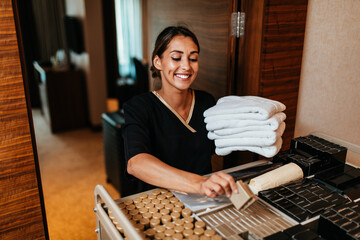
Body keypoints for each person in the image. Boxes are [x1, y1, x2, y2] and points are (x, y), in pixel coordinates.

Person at [122, 26, 238, 198]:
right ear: (157, 62)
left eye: (193, 58)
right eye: (176, 58)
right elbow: (136, 163)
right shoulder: (139, 107)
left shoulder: (206, 101)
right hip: (157, 202)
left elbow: (218, 146)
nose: (186, 66)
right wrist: (199, 183)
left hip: (203, 198)